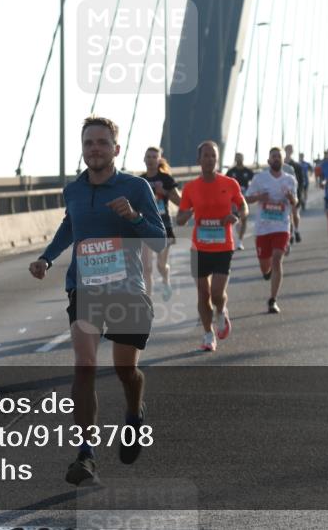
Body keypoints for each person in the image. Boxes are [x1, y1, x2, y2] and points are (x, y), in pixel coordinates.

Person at [29, 116, 167, 485]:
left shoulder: (136, 187)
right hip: (85, 288)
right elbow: (70, 225)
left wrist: (134, 216)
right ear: (83, 147)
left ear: (116, 149)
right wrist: (47, 257)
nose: (95, 149)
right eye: (89, 142)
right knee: (84, 365)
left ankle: (135, 411)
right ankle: (86, 454)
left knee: (125, 370)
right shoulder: (73, 190)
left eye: (103, 143)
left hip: (127, 289)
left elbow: (158, 240)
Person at [176, 141, 247, 351]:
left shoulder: (230, 183)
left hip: (223, 246)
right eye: (205, 156)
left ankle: (222, 309)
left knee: (216, 293)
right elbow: (179, 219)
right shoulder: (190, 188)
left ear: (217, 160)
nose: (209, 159)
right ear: (199, 160)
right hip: (199, 248)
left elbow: (243, 207)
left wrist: (236, 216)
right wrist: (187, 214)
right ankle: (208, 335)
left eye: (213, 156)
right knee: (202, 294)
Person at [245, 147, 298, 314]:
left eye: (279, 157)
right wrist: (259, 197)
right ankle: (267, 274)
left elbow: (295, 202)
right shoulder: (259, 178)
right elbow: (246, 198)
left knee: (277, 260)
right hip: (263, 228)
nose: (276, 159)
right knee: (265, 265)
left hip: (281, 226)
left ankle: (273, 299)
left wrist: (291, 198)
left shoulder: (290, 180)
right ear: (268, 161)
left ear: (283, 161)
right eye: (273, 156)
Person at [141, 146, 181, 301]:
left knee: (160, 265)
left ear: (159, 160)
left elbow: (179, 202)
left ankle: (166, 281)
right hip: (145, 227)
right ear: (144, 159)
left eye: (153, 157)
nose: (150, 159)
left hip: (163, 226)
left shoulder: (166, 179)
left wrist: (163, 192)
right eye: (148, 156)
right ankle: (148, 303)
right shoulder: (140, 180)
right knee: (146, 268)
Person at [225, 152, 254, 251]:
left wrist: (251, 194)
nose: (238, 160)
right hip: (233, 200)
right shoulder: (231, 172)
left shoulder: (248, 172)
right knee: (234, 219)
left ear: (243, 159)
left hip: (244, 199)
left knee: (244, 218)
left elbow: (254, 184)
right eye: (237, 158)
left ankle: (240, 242)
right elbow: (225, 183)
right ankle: (232, 239)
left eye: (240, 158)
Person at [283, 144, 306, 244]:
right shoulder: (281, 165)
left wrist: (299, 193)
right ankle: (290, 234)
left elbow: (301, 181)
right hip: (283, 195)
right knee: (287, 215)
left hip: (295, 193)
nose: (288, 151)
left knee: (294, 213)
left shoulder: (296, 166)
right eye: (287, 149)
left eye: (290, 150)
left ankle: (296, 230)